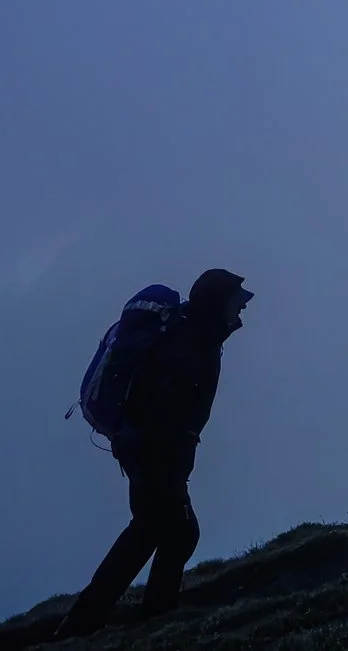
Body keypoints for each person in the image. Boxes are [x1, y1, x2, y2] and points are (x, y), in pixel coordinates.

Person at [53, 268, 253, 639]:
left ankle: (106, 619)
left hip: (146, 449)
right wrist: (171, 456)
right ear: (216, 303)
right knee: (168, 531)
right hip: (151, 451)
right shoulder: (188, 341)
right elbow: (166, 404)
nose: (241, 310)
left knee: (156, 531)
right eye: (236, 302)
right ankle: (126, 617)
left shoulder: (197, 335)